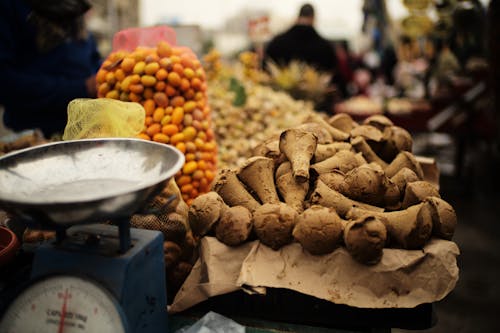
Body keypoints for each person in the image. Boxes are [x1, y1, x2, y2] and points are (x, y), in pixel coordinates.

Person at [0, 0, 101, 138]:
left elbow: (92, 59)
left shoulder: (73, 6)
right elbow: (6, 83)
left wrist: (106, 76)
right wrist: (83, 88)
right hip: (35, 136)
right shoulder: (10, 6)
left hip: (86, 129)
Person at [264, 3, 336, 73]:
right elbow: (333, 74)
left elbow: (266, 68)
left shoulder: (277, 42)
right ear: (313, 18)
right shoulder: (325, 47)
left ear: (297, 17)